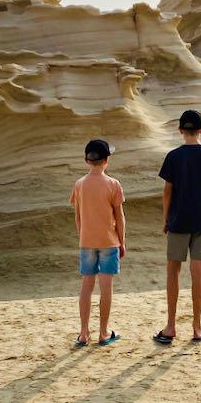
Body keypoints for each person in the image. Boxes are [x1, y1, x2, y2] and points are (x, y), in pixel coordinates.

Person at [154, 110, 201, 344]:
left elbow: (167, 191)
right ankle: (196, 327)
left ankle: (171, 326)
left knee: (173, 272)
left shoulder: (173, 156)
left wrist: (166, 218)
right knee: (198, 273)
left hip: (178, 220)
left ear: (181, 130)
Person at [70, 138, 126, 347]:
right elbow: (120, 217)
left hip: (87, 242)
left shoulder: (79, 185)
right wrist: (122, 241)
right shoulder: (113, 184)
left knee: (86, 286)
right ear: (106, 161)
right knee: (106, 287)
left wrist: (83, 235)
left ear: (87, 160)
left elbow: (78, 217)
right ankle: (103, 332)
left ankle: (84, 333)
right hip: (108, 242)